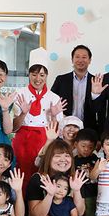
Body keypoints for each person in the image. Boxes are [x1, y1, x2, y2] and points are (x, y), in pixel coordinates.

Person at [12, 47, 66, 194]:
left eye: (42, 75)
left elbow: (57, 132)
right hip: (22, 141)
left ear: (47, 75)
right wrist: (23, 113)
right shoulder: (19, 94)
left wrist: (54, 115)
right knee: (20, 174)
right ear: (29, 74)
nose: (38, 79)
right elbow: (13, 128)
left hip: (44, 141)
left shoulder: (54, 98)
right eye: (34, 74)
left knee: (42, 174)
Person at [51, 44, 100, 131]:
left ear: (89, 60)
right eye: (77, 57)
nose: (80, 60)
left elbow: (100, 110)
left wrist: (95, 95)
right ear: (72, 60)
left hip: (88, 129)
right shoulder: (61, 80)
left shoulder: (96, 82)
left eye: (84, 57)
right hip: (65, 128)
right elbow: (51, 102)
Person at [73, 128, 99, 216]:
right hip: (78, 194)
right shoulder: (72, 160)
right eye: (83, 146)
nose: (86, 149)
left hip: (92, 194)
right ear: (75, 144)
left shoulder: (96, 160)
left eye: (90, 147)